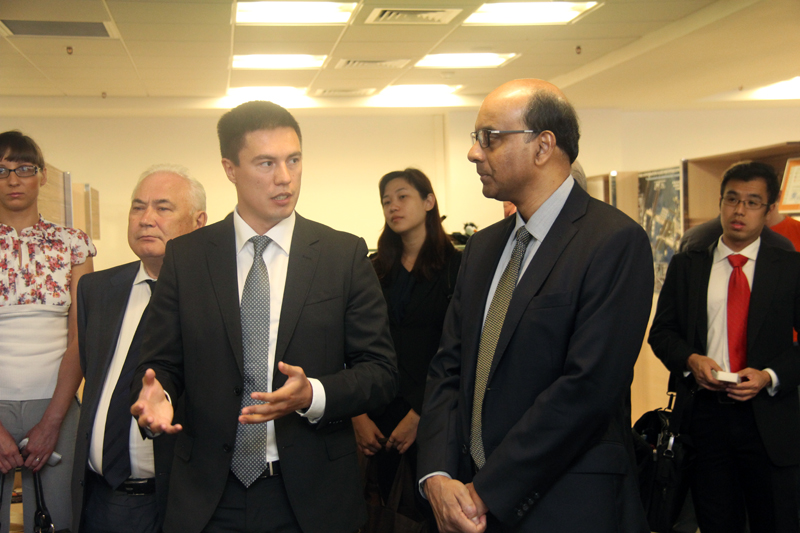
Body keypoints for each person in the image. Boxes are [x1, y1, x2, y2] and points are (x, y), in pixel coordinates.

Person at [130, 101, 398, 533]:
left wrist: (312, 394)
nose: (285, 177)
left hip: (311, 496)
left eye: (294, 160)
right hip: (208, 495)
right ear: (230, 169)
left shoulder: (342, 255)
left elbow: (380, 373)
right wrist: (158, 393)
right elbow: (161, 362)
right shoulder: (188, 257)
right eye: (266, 163)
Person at [416, 79, 654, 532]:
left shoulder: (613, 241)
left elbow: (586, 389)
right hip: (467, 504)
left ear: (543, 146)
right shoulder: (483, 248)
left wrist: (487, 490)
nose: (473, 153)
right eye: (475, 138)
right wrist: (438, 477)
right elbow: (448, 368)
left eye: (489, 137)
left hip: (565, 505)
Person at [649, 161, 800, 533]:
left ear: (769, 209)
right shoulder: (687, 265)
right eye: (732, 199)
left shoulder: (790, 267)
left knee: (776, 521)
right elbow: (662, 332)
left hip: (769, 420)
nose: (739, 211)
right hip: (705, 417)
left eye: (752, 202)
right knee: (716, 521)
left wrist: (769, 376)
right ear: (720, 202)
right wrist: (690, 359)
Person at [71, 165, 207, 533]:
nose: (146, 219)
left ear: (198, 222)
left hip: (176, 502)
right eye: (137, 207)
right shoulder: (96, 290)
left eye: (163, 208)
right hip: (97, 499)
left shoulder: (217, 299)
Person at [352, 168, 461, 524]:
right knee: (383, 514)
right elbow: (352, 345)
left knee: (431, 514)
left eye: (402, 197)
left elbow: (459, 348)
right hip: (378, 416)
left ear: (429, 202)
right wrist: (358, 415)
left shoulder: (457, 267)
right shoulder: (373, 269)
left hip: (435, 411)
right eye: (386, 201)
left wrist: (419, 415)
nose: (393, 207)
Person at [0, 130, 95, 533]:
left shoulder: (73, 244)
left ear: (42, 176)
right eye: (1, 170)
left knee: (59, 520)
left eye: (24, 168)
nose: (13, 179)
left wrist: (53, 421)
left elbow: (81, 337)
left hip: (56, 404)